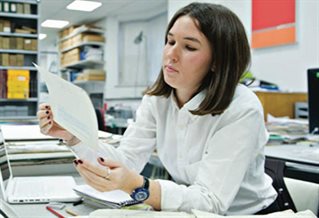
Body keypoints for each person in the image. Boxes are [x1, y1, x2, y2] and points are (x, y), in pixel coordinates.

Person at [37, 2, 278, 215]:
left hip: (250, 214)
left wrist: (139, 186)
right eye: (170, 41)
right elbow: (127, 160)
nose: (170, 54)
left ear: (218, 61)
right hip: (193, 211)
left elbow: (211, 201)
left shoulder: (241, 108)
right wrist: (72, 135)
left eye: (189, 47)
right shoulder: (158, 100)